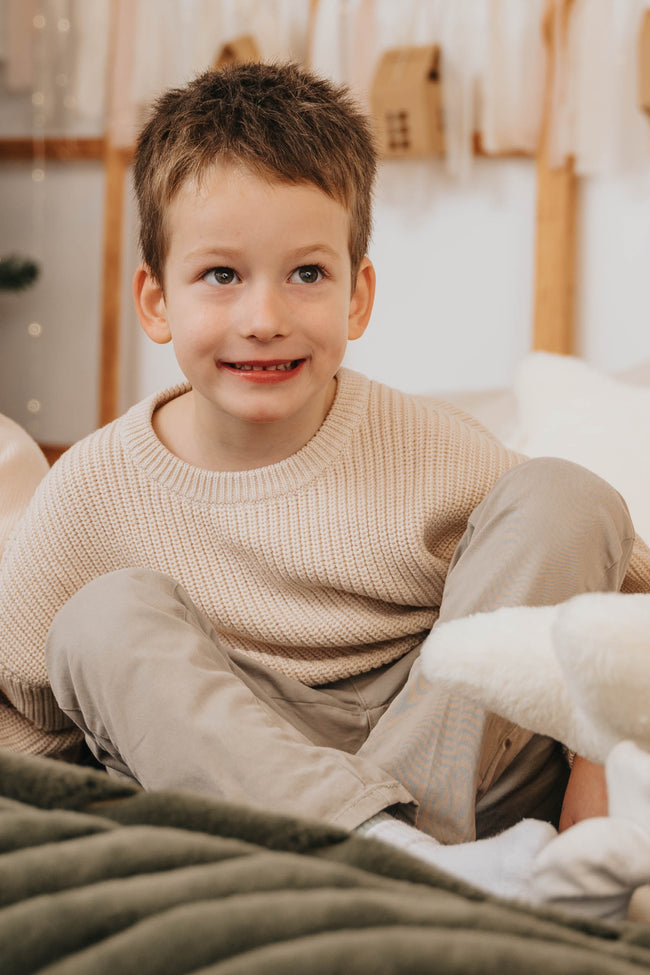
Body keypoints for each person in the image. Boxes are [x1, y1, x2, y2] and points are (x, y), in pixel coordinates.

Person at [1, 63, 649, 894]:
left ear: (357, 296)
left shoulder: (434, 448)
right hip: (240, 777)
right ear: (156, 300)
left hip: (455, 769)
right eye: (221, 276)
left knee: (569, 494)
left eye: (306, 273)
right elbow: (31, 716)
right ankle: (396, 857)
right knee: (99, 619)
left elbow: (609, 615)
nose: (264, 318)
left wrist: (591, 813)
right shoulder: (93, 489)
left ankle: (414, 852)